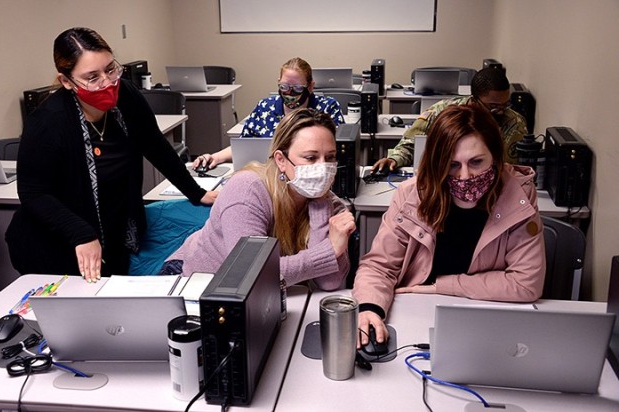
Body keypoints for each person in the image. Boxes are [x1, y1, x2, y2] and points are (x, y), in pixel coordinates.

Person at [6, 27, 217, 283]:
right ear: (66, 81)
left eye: (110, 69)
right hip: (57, 244)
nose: (107, 83)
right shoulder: (48, 123)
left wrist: (196, 192)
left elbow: (155, 145)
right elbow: (33, 193)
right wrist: (80, 233)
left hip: (113, 232)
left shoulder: (126, 95)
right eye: (92, 77)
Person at [353, 104, 545, 346]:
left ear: (496, 156)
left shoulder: (518, 195)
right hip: (417, 315)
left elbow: (526, 283)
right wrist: (370, 307)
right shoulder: (412, 194)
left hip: (487, 320)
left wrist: (441, 287)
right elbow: (380, 266)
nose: (465, 176)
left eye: (476, 162)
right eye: (453, 165)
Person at [164, 108, 356, 291]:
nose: (323, 167)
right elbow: (250, 273)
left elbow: (330, 282)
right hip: (192, 280)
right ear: (281, 160)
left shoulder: (331, 203)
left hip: (262, 294)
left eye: (330, 158)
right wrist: (329, 251)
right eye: (311, 158)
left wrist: (320, 204)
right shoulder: (247, 189)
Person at [191, 57, 345, 170]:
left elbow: (339, 153)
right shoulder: (265, 107)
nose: (289, 93)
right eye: (284, 86)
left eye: (298, 88)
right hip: (267, 176)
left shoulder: (327, 109)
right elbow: (245, 145)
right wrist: (214, 157)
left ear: (310, 87)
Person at [373, 67, 527, 172]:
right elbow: (410, 145)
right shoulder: (443, 112)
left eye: (505, 105)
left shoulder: (515, 122)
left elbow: (519, 167)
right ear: (474, 99)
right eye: (493, 106)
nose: (500, 112)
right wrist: (393, 159)